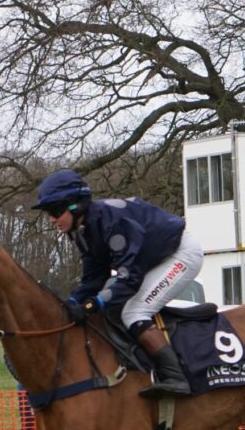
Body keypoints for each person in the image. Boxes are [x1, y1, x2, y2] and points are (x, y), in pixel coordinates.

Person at [32, 169, 205, 398]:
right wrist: (71, 303)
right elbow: (94, 278)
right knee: (115, 308)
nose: (51, 219)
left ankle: (176, 377)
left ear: (76, 205)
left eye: (55, 211)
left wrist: (92, 305)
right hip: (154, 258)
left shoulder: (113, 222)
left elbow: (128, 279)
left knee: (134, 311)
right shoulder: (83, 230)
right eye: (48, 213)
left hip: (181, 253)